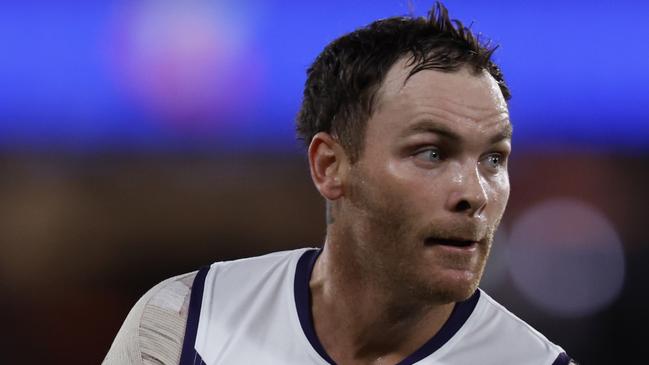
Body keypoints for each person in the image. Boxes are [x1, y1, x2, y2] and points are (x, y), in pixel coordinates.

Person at [104, 2, 577, 364]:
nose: (474, 193)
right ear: (330, 165)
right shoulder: (186, 326)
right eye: (431, 152)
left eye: (494, 158)